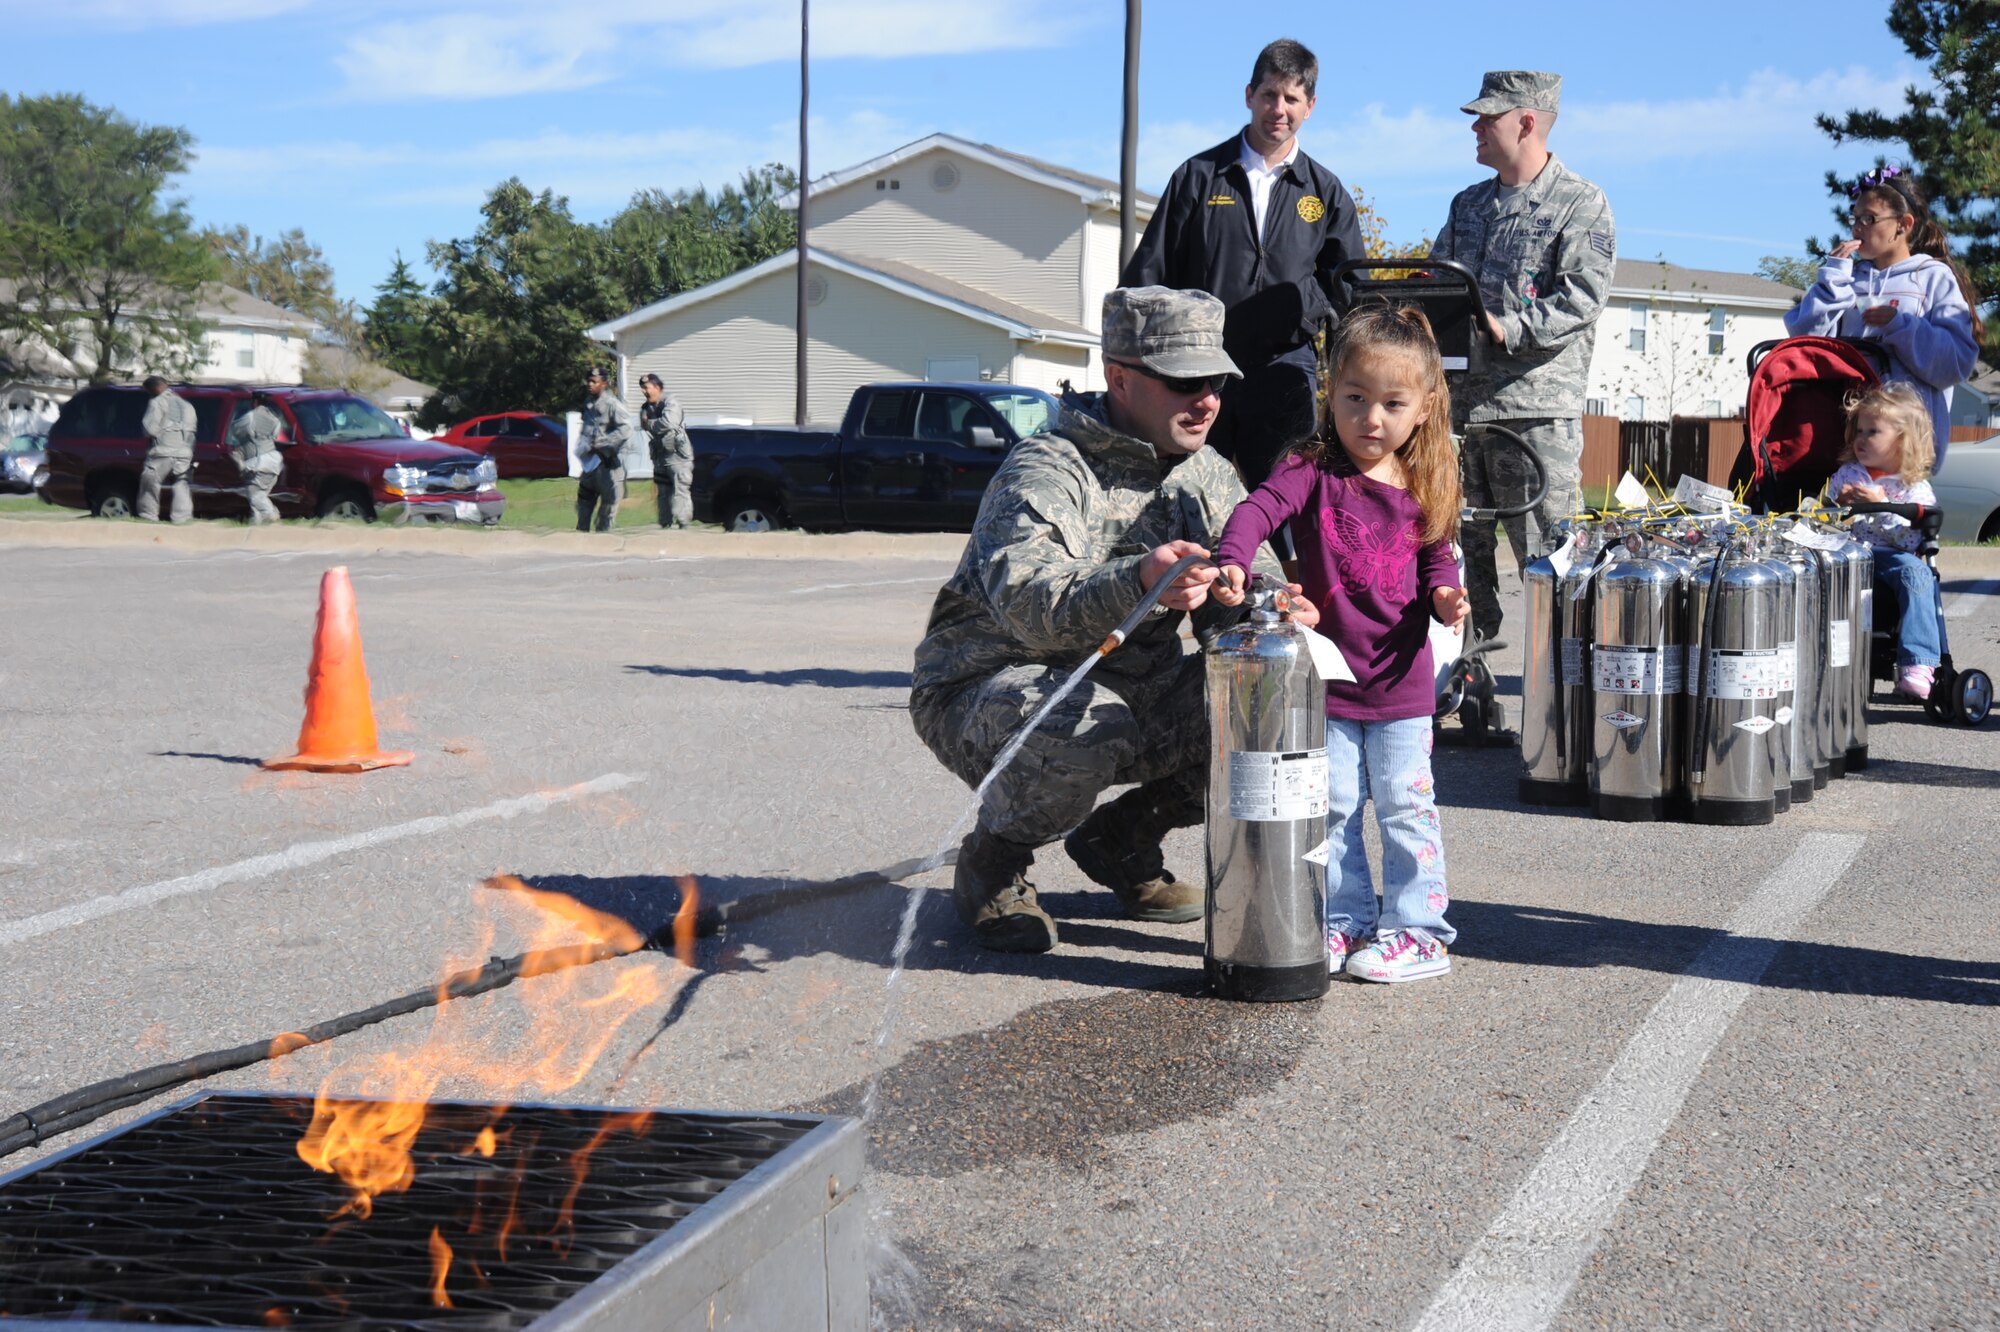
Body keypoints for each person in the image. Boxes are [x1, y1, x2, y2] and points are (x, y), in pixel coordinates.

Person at [910, 286, 1310, 954]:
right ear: (1119, 378)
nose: (1207, 399)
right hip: (992, 692)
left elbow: (1251, 582)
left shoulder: (1208, 474)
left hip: (1135, 693)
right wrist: (1139, 579)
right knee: (1082, 723)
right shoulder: (1048, 467)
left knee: (1267, 699)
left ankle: (1121, 840)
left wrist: (1270, 606)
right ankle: (994, 862)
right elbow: (1026, 603)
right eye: (1184, 382)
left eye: (1214, 380)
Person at [1213, 304, 1468, 983]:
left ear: (1423, 406)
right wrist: (1236, 557)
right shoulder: (1310, 467)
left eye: (1391, 403)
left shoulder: (1426, 481)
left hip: (1403, 688)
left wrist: (1446, 597)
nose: (1371, 419)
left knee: (1405, 808)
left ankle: (1420, 932)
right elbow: (1257, 508)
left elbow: (1440, 560)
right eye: (1356, 399)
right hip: (1328, 683)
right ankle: (1345, 919)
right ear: (1332, 393)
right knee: (1331, 807)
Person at [1121, 38, 1365, 515]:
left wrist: (1311, 317)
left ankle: (1284, 591)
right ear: (1249, 94)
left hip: (1284, 372)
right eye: (1269, 95)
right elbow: (1147, 279)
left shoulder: (1326, 193)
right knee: (1179, 501)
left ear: (1310, 107)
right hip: (1200, 371)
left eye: (1291, 98)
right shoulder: (1198, 177)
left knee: (1288, 508)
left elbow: (1350, 292)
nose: (1279, 109)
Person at [1428, 70, 1614, 643]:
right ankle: (1466, 680)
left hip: (1533, 417)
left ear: (1527, 122)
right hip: (1460, 416)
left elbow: (1582, 298)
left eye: (1489, 117)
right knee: (1457, 562)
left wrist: (1505, 328)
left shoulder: (1579, 203)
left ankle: (1554, 697)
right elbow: (1437, 283)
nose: (1477, 128)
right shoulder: (1468, 206)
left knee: (1549, 563)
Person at [1785, 165, 1981, 468]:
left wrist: (1899, 324)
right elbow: (1802, 342)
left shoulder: (1931, 277)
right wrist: (1832, 282)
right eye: (1855, 218)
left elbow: (1956, 363)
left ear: (1903, 224)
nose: (1857, 228)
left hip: (1906, 455)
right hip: (1848, 444)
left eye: (1870, 219)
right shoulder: (1847, 279)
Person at [1831, 382, 1943, 700]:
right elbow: (1824, 519)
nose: (1860, 439)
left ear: (1902, 442)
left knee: (1917, 574)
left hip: (1892, 555)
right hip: (1849, 551)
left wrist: (1881, 505)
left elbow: (1909, 541)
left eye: (1872, 432)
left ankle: (1918, 664)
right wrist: (1837, 507)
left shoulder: (1913, 487)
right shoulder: (1848, 474)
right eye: (1859, 430)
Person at [576, 366, 633, 532]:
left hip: (607, 466)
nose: (590, 384)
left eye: (594, 381)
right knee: (584, 505)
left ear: (604, 384)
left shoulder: (612, 405)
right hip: (589, 466)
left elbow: (626, 429)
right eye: (589, 381)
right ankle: (581, 541)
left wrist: (602, 442)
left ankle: (603, 544)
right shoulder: (588, 405)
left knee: (607, 512)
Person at [138, 375, 198, 523]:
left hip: (162, 452)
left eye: (149, 391)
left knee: (150, 481)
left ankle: (148, 515)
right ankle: (182, 518)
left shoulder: (156, 403)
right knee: (181, 484)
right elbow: (193, 432)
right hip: (185, 453)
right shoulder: (187, 405)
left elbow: (150, 429)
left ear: (154, 388)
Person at [639, 372, 693, 529]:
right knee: (663, 493)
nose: (644, 391)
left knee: (680, 491)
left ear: (657, 388)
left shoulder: (671, 402)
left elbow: (669, 422)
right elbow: (642, 423)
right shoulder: (646, 407)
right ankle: (665, 525)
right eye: (642, 388)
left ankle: (684, 525)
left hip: (678, 456)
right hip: (660, 457)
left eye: (646, 388)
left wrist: (650, 424)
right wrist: (650, 423)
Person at [229, 391, 286, 525]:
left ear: (254, 402)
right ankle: (258, 525)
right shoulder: (275, 419)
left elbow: (235, 429)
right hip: (274, 461)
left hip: (259, 461)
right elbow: (276, 436)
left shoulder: (250, 417)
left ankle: (271, 513)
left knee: (255, 495)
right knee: (259, 494)